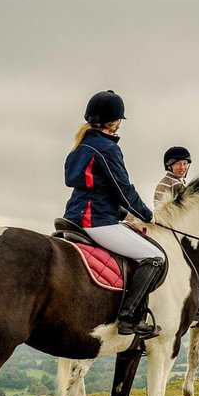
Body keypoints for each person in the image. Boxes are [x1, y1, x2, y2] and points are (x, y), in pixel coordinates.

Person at [64, 90, 164, 339]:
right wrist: (146, 215)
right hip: (95, 221)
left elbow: (97, 188)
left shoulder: (80, 145)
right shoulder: (107, 148)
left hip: (76, 214)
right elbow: (122, 188)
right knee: (154, 256)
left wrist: (122, 214)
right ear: (115, 121)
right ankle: (128, 318)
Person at [154, 146, 199, 326]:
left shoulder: (178, 183)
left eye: (185, 164)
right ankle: (198, 308)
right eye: (178, 164)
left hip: (177, 234)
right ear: (169, 166)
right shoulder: (172, 184)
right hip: (175, 236)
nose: (183, 167)